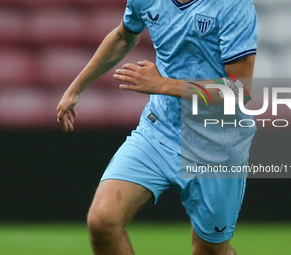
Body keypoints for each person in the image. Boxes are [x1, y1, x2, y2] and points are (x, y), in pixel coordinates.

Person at [56, 0, 258, 254]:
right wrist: (76, 88)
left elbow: (238, 89)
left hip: (217, 140)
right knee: (103, 221)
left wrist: (163, 84)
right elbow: (122, 37)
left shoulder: (233, 4)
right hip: (159, 130)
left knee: (210, 251)